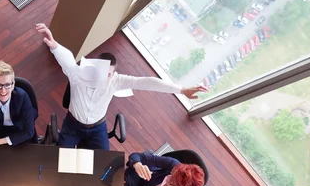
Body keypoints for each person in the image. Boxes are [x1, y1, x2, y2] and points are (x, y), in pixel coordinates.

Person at [35, 23, 209, 150]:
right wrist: (54, 45)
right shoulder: (78, 74)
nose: (105, 77)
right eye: (101, 72)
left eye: (109, 74)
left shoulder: (116, 81)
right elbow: (67, 59)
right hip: (73, 125)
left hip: (97, 128)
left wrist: (181, 89)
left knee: (103, 165)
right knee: (60, 159)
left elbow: (146, 82)